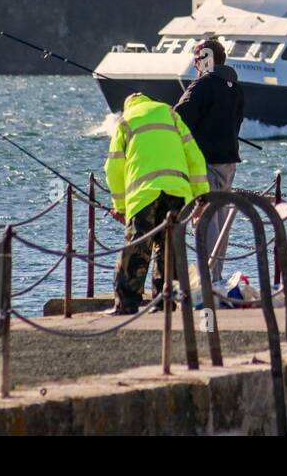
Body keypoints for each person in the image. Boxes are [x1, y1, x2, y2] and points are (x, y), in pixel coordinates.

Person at [105, 90, 209, 314]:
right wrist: (200, 198)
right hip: (177, 193)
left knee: (137, 249)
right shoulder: (170, 114)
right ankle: (165, 302)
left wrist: (120, 207)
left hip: (144, 194)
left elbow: (113, 168)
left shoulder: (124, 121)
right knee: (170, 248)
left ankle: (126, 304)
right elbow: (195, 157)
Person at [174, 38, 245, 281]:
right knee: (221, 219)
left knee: (205, 219)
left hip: (206, 163)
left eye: (197, 60)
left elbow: (179, 119)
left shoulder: (201, 85)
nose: (195, 66)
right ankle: (216, 275)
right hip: (229, 163)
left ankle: (210, 279)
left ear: (207, 58)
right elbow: (236, 122)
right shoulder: (234, 88)